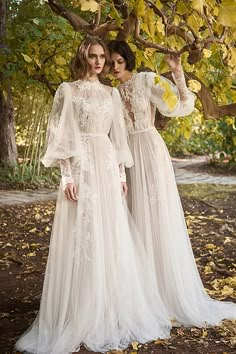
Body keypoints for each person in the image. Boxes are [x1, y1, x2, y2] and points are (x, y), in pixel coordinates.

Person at [15, 37, 171, 354]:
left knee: (111, 235)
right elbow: (59, 135)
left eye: (102, 57)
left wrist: (121, 174)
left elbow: (119, 138)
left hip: (106, 164)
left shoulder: (111, 93)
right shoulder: (67, 91)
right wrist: (67, 176)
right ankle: (80, 310)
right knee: (82, 236)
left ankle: (109, 308)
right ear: (83, 57)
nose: (99, 61)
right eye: (93, 56)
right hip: (82, 168)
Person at [108, 40, 236, 327]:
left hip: (150, 151)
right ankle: (142, 293)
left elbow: (180, 106)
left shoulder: (146, 80)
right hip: (127, 156)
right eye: (111, 62)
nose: (115, 67)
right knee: (134, 216)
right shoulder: (112, 93)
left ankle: (167, 292)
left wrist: (177, 72)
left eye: (119, 61)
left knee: (157, 215)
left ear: (127, 59)